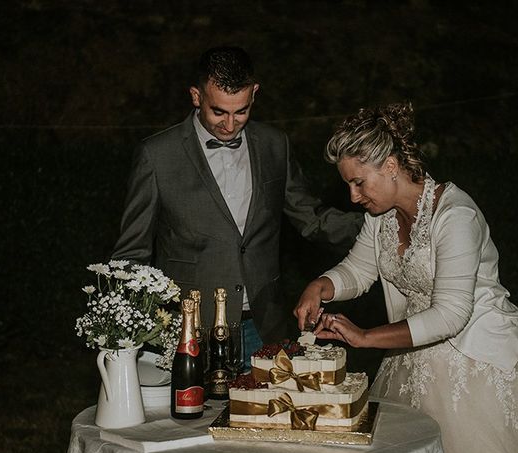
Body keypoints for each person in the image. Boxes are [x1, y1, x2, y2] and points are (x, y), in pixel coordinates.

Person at [294, 103, 518, 453]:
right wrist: (320, 285)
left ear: (391, 167)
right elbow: (359, 269)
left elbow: (451, 313)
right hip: (412, 356)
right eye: (348, 184)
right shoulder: (379, 216)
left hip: (478, 360)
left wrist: (365, 337)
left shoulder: (455, 215)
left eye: (358, 182)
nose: (353, 196)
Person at [112, 46, 362, 367]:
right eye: (219, 112)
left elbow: (311, 218)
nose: (230, 125)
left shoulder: (274, 145)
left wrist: (381, 228)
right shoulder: (158, 156)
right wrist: (129, 333)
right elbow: (132, 254)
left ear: (255, 94)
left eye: (241, 112)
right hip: (189, 333)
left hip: (263, 327)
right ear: (195, 96)